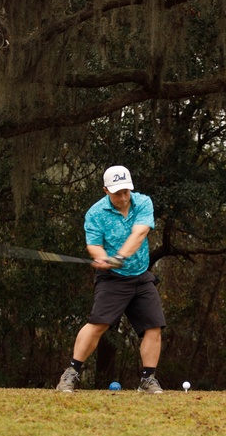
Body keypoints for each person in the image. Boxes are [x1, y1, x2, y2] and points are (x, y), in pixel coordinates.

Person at [55, 165, 166, 393]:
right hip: (112, 279)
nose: (123, 197)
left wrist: (119, 256)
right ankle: (71, 374)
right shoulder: (95, 213)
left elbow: (140, 233)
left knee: (154, 327)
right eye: (117, 193)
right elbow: (94, 245)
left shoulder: (143, 202)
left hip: (141, 275)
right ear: (106, 190)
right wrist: (103, 258)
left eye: (126, 191)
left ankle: (147, 380)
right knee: (97, 324)